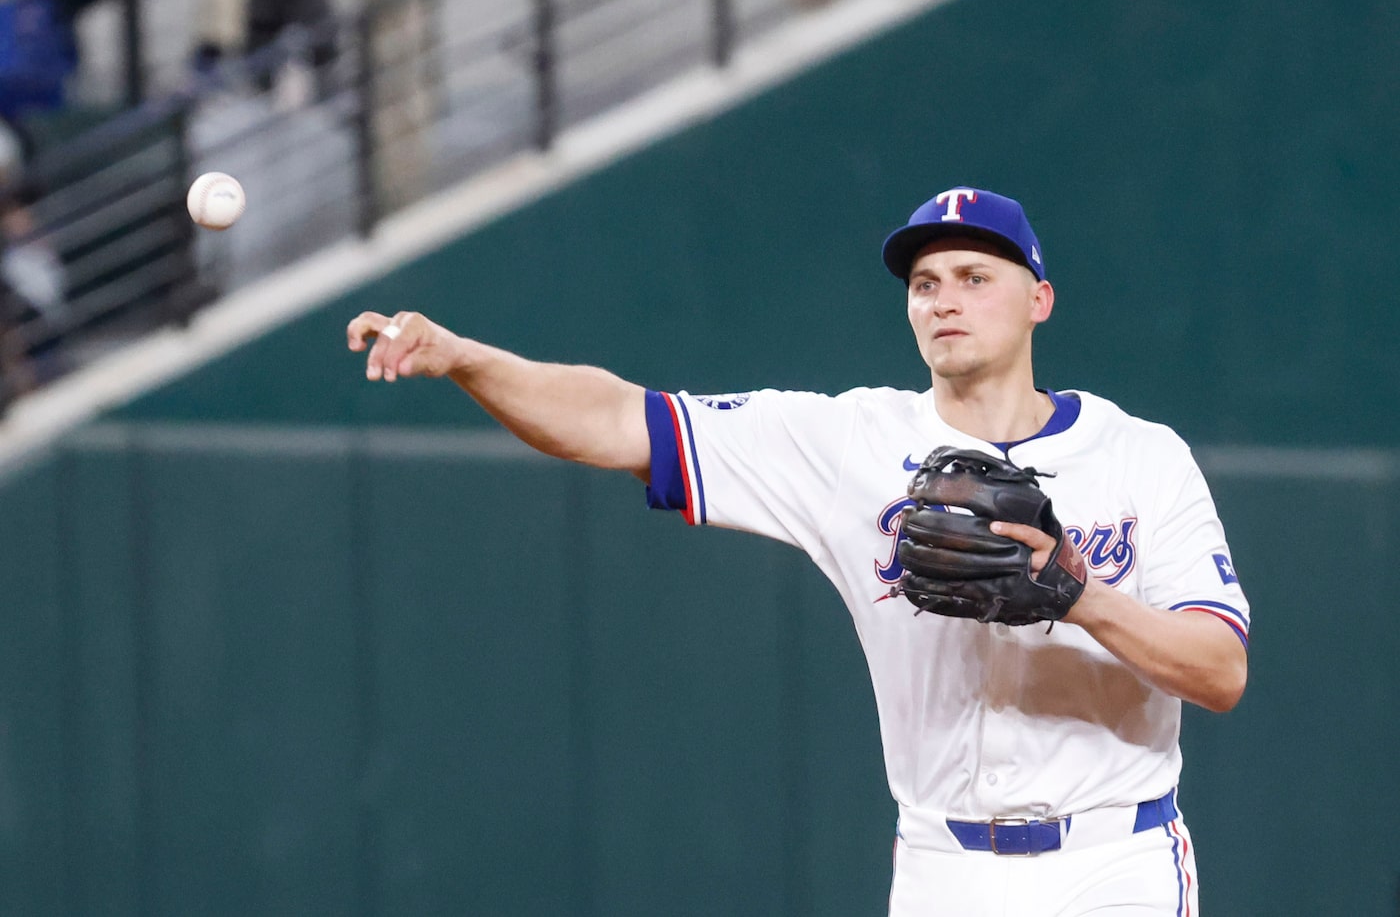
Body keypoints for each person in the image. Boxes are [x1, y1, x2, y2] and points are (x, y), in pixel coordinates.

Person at [346, 187, 1250, 916]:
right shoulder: (846, 443)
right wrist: (464, 356)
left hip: (1112, 860)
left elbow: (1220, 672)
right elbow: (619, 419)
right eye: (925, 282)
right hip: (944, 865)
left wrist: (1079, 595)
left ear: (1038, 300)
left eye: (975, 276)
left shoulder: (1140, 456)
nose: (945, 299)